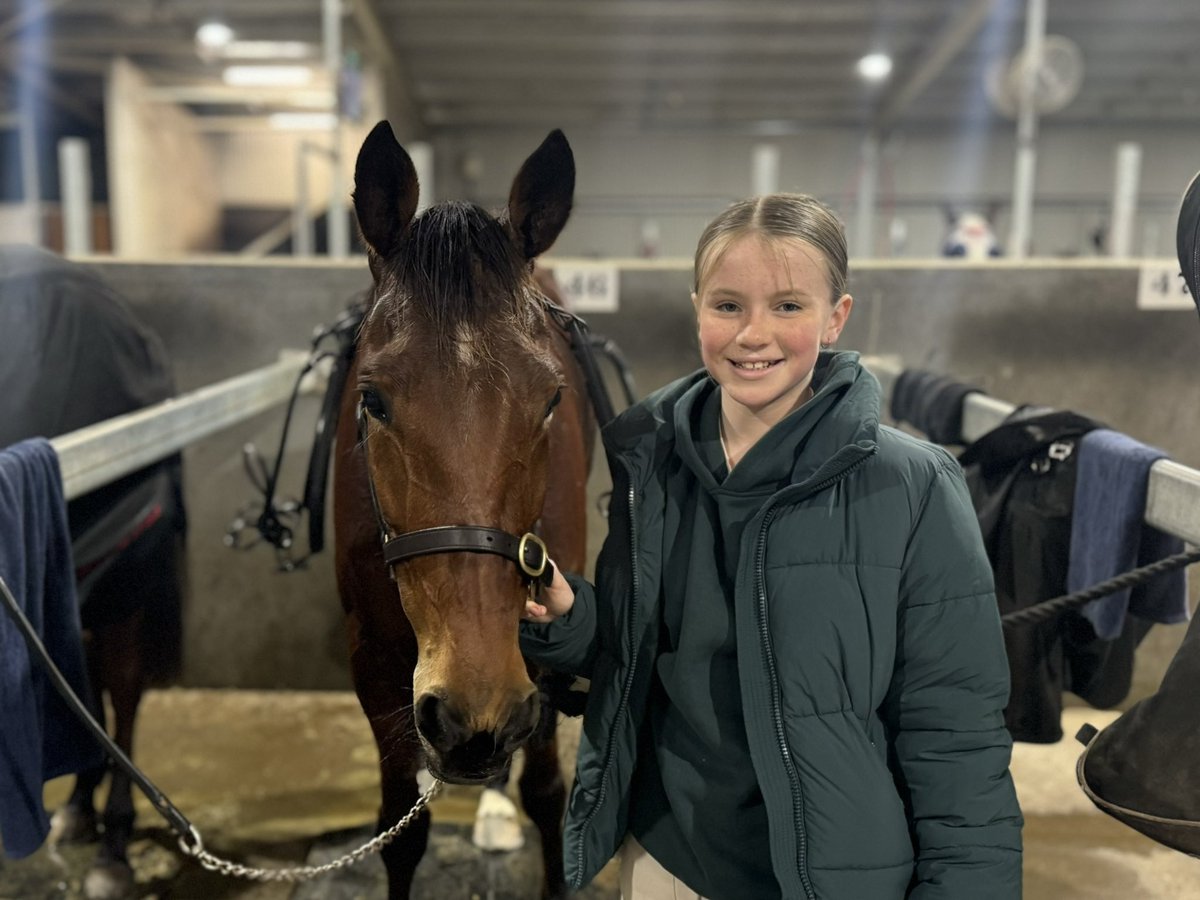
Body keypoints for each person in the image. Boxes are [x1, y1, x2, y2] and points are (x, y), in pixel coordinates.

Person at [518, 194, 1023, 899]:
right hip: (666, 859)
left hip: (832, 876)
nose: (753, 334)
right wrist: (573, 618)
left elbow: (957, 738)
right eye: (728, 305)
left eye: (788, 306)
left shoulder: (913, 487)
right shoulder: (652, 461)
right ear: (697, 307)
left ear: (837, 316)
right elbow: (644, 651)